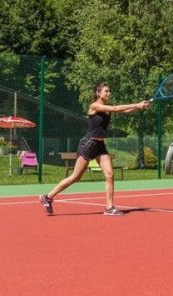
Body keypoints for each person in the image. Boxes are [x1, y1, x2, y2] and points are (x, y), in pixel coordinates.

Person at [40, 84, 150, 216]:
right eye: (106, 91)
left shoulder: (107, 107)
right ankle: (48, 197)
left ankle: (109, 208)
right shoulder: (95, 106)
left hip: (100, 146)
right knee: (76, 177)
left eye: (109, 91)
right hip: (88, 144)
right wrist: (136, 104)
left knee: (109, 175)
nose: (109, 93)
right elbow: (115, 108)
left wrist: (139, 107)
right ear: (98, 93)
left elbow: (124, 111)